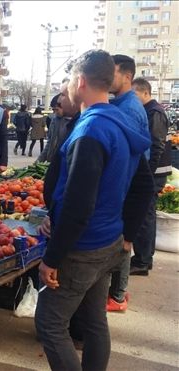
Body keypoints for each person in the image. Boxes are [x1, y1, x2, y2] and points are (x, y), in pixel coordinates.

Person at [35, 50, 152, 371]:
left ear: (80, 81)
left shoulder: (91, 132)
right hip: (109, 241)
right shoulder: (118, 121)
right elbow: (143, 185)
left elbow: (78, 206)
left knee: (49, 324)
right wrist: (126, 235)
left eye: (70, 80)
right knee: (94, 319)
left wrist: (52, 258)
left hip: (83, 248)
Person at [107, 54, 151, 312]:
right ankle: (119, 292)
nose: (106, 77)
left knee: (122, 241)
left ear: (127, 76)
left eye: (111, 72)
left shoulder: (129, 109)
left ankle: (118, 296)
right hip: (127, 182)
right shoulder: (123, 104)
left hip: (128, 184)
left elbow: (132, 155)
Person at [130, 77, 173, 276]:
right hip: (152, 172)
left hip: (153, 174)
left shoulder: (154, 113)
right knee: (147, 215)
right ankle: (144, 257)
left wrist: (145, 174)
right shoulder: (148, 111)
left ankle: (142, 260)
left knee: (145, 216)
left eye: (135, 94)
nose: (133, 98)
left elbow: (156, 145)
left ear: (145, 93)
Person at [38, 91, 73, 163]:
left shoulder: (72, 121)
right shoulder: (54, 120)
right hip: (51, 160)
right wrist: (39, 160)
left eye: (57, 109)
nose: (55, 112)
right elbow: (50, 142)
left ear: (64, 107)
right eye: (53, 110)